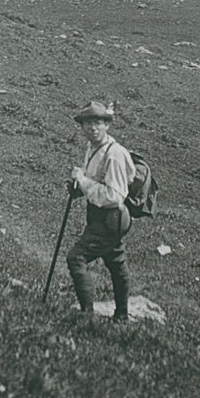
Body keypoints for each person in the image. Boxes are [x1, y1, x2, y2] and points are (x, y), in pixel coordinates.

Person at [65, 101, 136, 322]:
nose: (92, 128)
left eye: (97, 123)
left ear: (107, 125)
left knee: (76, 258)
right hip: (99, 215)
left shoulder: (114, 154)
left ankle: (86, 315)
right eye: (87, 123)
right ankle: (122, 315)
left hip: (109, 217)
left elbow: (114, 197)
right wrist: (79, 187)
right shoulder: (93, 147)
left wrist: (83, 182)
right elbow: (95, 182)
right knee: (116, 261)